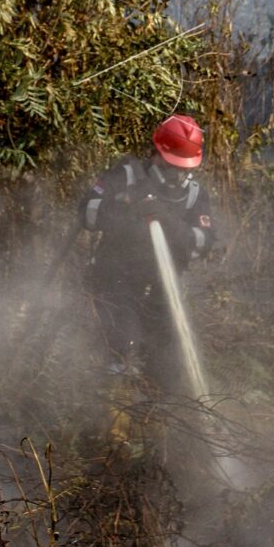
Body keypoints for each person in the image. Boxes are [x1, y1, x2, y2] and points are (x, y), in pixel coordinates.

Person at [80, 114, 214, 393]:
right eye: (169, 167)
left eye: (182, 169)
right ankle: (111, 424)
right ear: (156, 154)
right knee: (120, 352)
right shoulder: (126, 176)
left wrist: (171, 223)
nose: (176, 176)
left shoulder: (193, 196)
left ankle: (157, 426)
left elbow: (203, 243)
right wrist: (126, 210)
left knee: (167, 367)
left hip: (164, 291)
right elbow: (87, 213)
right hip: (116, 284)